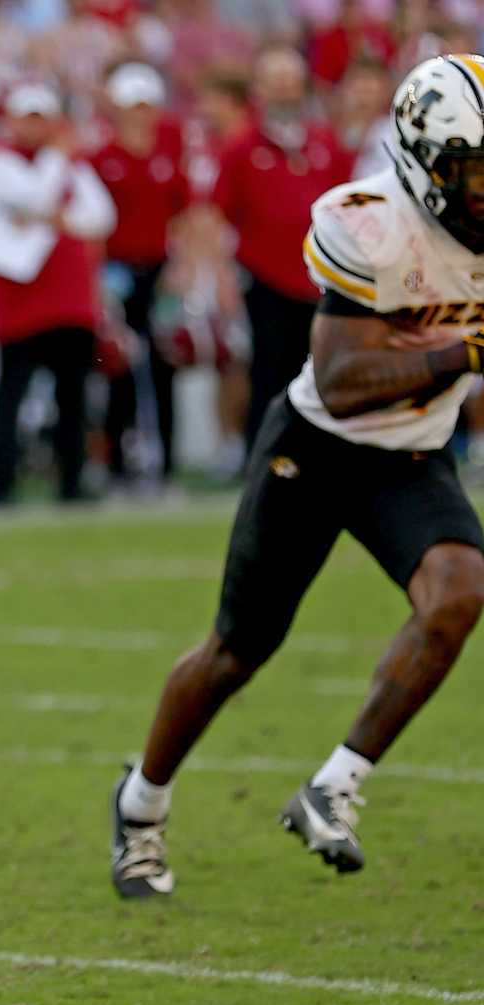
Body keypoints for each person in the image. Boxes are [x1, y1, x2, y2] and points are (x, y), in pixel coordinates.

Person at [108, 56, 484, 901]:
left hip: (412, 456)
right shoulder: (374, 223)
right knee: (237, 651)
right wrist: (467, 350)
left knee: (459, 591)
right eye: (473, 172)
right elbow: (346, 380)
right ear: (425, 165)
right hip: (315, 448)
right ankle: (140, 805)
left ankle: (335, 785)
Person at [0, 82, 115, 502]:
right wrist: (55, 171)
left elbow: (100, 217)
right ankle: (1, 481)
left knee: (72, 393)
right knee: (11, 389)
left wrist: (46, 215)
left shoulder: (73, 165)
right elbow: (33, 197)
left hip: (68, 294)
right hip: (20, 295)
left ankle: (72, 480)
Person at [210, 44, 355, 452]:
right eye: (277, 83)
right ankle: (263, 454)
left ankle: (317, 455)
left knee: (321, 372)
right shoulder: (241, 149)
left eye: (292, 82)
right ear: (259, 90)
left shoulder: (325, 142)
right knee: (268, 371)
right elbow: (217, 215)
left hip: (322, 277)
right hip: (265, 277)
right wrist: (220, 275)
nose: (287, 92)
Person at [90, 63, 191, 484]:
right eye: (133, 106)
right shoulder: (103, 158)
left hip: (160, 272)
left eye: (146, 106)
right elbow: (93, 223)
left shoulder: (167, 157)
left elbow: (183, 215)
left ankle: (166, 462)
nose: (140, 114)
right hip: (118, 273)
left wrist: (181, 264)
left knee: (165, 364)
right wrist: (98, 280)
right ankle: (118, 465)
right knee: (121, 367)